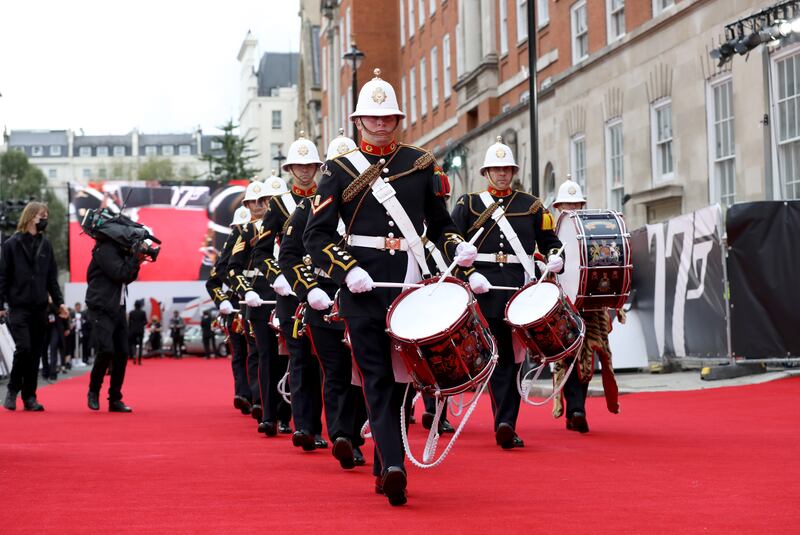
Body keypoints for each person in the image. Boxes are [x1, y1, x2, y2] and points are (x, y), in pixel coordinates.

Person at [303, 69, 477, 506]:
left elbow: (439, 225)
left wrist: (459, 247)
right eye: (373, 118)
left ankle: (385, 465)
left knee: (403, 381)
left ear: (398, 119)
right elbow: (316, 236)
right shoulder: (338, 170)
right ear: (359, 120)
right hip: (362, 289)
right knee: (377, 377)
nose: (381, 125)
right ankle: (396, 465)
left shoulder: (420, 163)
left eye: (388, 118)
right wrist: (346, 270)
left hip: (408, 285)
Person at [450, 137, 564, 449]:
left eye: (506, 169)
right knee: (498, 359)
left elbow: (549, 240)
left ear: (512, 171)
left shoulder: (532, 205)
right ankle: (504, 421)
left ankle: (505, 422)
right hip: (485, 292)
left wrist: (556, 257)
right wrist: (470, 275)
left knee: (513, 361)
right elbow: (450, 247)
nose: (501, 174)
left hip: (518, 292)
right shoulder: (469, 205)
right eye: (496, 169)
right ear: (486, 172)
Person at [277, 132, 368, 467]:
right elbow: (287, 256)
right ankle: (342, 436)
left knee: (362, 371)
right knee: (336, 372)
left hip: (361, 299)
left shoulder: (367, 207)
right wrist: (308, 289)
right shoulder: (304, 211)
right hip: (323, 300)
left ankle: (352, 434)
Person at [550, 178, 621, 433]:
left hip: (591, 306)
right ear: (559, 207)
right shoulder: (552, 234)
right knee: (567, 357)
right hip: (563, 306)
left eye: (576, 204)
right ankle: (576, 409)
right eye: (567, 204)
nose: (572, 208)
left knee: (588, 357)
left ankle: (577, 410)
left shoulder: (595, 232)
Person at [226, 177, 292, 430]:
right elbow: (232, 270)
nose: (266, 205)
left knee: (291, 359)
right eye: (264, 200)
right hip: (261, 300)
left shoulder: (295, 226)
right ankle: (269, 415)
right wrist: (247, 292)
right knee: (266, 357)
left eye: (271, 200)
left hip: (288, 298)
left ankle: (288, 416)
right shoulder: (248, 232)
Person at [0, 201, 67, 411]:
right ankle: (13, 389)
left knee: (36, 352)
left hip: (40, 307)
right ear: (30, 217)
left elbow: (52, 279)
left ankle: (30, 396)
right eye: (42, 215)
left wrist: (59, 303)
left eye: (46, 215)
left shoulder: (46, 245)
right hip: (18, 306)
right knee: (24, 348)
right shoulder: (11, 244)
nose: (45, 219)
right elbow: (2, 276)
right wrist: (1, 303)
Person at [85, 231, 143, 412]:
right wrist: (135, 258)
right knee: (106, 349)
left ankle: (114, 399)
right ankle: (93, 391)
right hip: (101, 308)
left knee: (122, 353)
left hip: (117, 308)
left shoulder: (117, 250)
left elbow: (128, 277)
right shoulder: (106, 249)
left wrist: (137, 260)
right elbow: (120, 274)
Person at [205, 205, 254, 415]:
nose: (241, 232)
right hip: (237, 307)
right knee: (240, 354)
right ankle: (243, 394)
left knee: (259, 354)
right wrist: (224, 302)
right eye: (238, 228)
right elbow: (214, 281)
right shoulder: (230, 248)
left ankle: (259, 396)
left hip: (263, 302)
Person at [128, 299, 147, 365]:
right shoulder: (143, 312)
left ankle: (134, 356)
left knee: (133, 344)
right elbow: (145, 322)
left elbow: (129, 322)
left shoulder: (131, 312)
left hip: (132, 330)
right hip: (140, 330)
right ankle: (139, 360)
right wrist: (141, 324)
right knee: (140, 345)